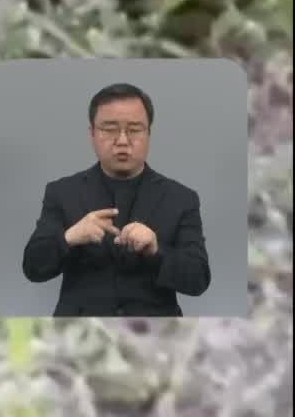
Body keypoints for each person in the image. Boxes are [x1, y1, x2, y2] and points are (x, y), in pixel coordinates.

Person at [20, 82, 211, 316]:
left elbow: (199, 279)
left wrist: (156, 250)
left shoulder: (181, 198)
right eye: (109, 129)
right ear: (91, 133)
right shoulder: (61, 192)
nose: (122, 140)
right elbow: (33, 268)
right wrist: (70, 237)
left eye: (134, 129)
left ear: (149, 132)